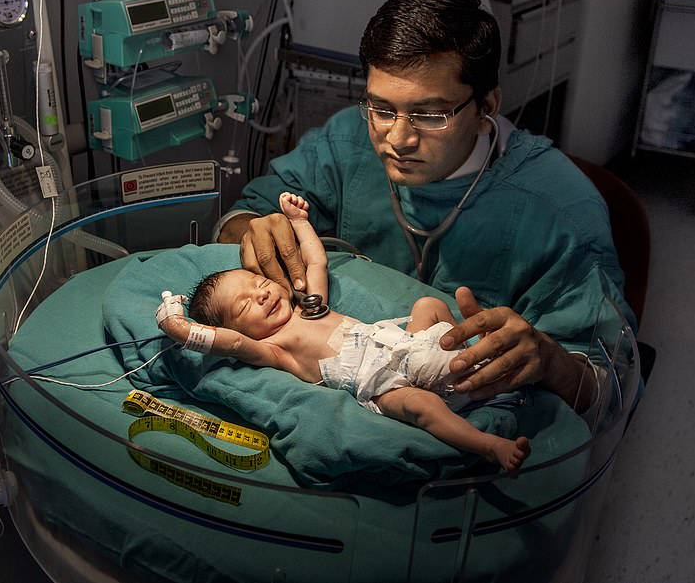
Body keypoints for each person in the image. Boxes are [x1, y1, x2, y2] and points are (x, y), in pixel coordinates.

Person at [214, 0, 636, 413]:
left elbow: (611, 388)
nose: (398, 139)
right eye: (381, 109)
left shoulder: (561, 211)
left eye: (430, 115)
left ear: (486, 105)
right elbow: (245, 213)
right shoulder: (346, 141)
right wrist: (254, 229)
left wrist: (552, 363)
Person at [158, 193, 531, 471]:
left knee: (427, 307)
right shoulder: (274, 347)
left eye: (258, 282)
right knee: (422, 408)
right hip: (384, 386)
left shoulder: (310, 303)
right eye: (245, 306)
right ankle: (488, 445)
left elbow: (316, 259)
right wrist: (183, 330)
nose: (262, 293)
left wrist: (298, 221)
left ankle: (476, 358)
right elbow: (233, 343)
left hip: (408, 345)